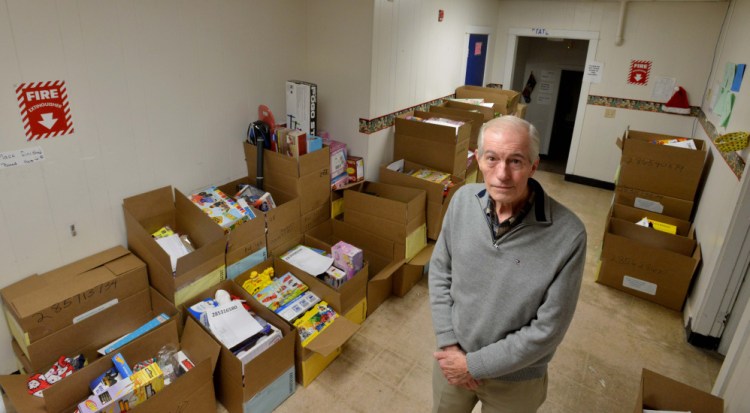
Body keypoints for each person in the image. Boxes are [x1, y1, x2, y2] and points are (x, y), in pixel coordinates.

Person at [429, 115, 587, 412]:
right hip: (452, 358)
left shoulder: (569, 234)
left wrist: (473, 365)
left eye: (515, 161)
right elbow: (439, 271)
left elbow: (548, 329)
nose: (501, 173)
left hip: (516, 381)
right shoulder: (462, 201)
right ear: (477, 160)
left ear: (533, 166)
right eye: (492, 158)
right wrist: (448, 344)